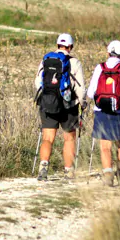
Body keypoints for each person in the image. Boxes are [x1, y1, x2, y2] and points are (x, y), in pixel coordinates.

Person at [85, 40, 120, 186]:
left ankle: (108, 174)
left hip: (102, 111)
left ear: (108, 52)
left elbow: (90, 93)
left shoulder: (99, 68)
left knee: (105, 145)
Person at [34, 33, 86, 182]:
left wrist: (46, 97)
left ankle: (43, 168)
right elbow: (80, 88)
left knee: (48, 138)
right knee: (69, 139)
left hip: (48, 103)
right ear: (70, 47)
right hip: (68, 105)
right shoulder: (74, 62)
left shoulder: (46, 59)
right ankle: (68, 172)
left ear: (57, 45)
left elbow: (38, 82)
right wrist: (82, 103)